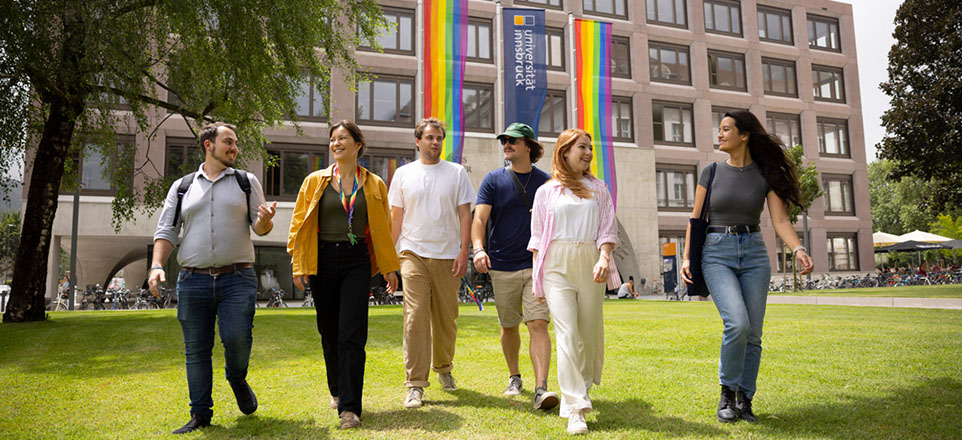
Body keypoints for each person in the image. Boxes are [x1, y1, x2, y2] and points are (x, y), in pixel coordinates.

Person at [680, 110, 813, 424]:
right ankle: (726, 392)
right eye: (720, 129)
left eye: (726, 129)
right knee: (737, 323)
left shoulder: (765, 175)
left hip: (754, 254)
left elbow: (779, 220)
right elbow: (696, 220)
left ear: (745, 135)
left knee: (753, 334)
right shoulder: (710, 172)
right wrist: (687, 257)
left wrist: (798, 248)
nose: (720, 134)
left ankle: (745, 399)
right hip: (716, 253)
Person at [149, 122, 277, 434]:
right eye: (228, 142)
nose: (234, 148)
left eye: (235, 143)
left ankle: (236, 376)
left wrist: (265, 222)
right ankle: (200, 415)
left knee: (237, 339)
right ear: (208, 145)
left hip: (237, 278)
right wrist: (156, 265)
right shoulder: (182, 187)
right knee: (196, 349)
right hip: (193, 281)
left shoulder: (246, 182)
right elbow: (166, 230)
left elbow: (259, 228)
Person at [287, 120, 400, 429]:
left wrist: (390, 267)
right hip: (322, 258)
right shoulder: (315, 181)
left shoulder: (374, 184)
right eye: (333, 139)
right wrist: (299, 264)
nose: (336, 144)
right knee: (329, 332)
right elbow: (298, 225)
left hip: (356, 261)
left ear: (357, 146)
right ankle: (337, 390)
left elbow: (383, 230)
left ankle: (350, 408)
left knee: (352, 334)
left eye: (343, 139)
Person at [528, 129, 621, 435]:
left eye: (590, 148)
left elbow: (607, 231)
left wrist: (603, 259)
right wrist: (537, 281)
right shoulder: (546, 192)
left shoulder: (599, 189)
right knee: (567, 334)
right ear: (564, 151)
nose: (588, 153)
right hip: (556, 264)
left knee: (588, 334)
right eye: (582, 147)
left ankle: (580, 388)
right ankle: (576, 408)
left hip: (590, 261)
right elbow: (538, 241)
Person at [471, 122, 558, 410]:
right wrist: (479, 249)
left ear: (529, 147)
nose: (506, 144)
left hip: (535, 264)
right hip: (502, 264)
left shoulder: (547, 181)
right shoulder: (493, 180)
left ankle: (541, 388)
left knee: (537, 323)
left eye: (513, 140)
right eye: (504, 140)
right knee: (509, 326)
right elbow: (480, 219)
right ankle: (514, 377)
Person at [389, 117, 475, 409]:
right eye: (429, 137)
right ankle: (415, 383)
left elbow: (466, 214)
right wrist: (389, 257)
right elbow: (396, 219)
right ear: (418, 141)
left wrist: (465, 252)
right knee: (414, 317)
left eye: (439, 138)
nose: (435, 142)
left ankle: (444, 367)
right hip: (412, 253)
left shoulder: (457, 172)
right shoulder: (403, 174)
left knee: (446, 320)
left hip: (448, 255)